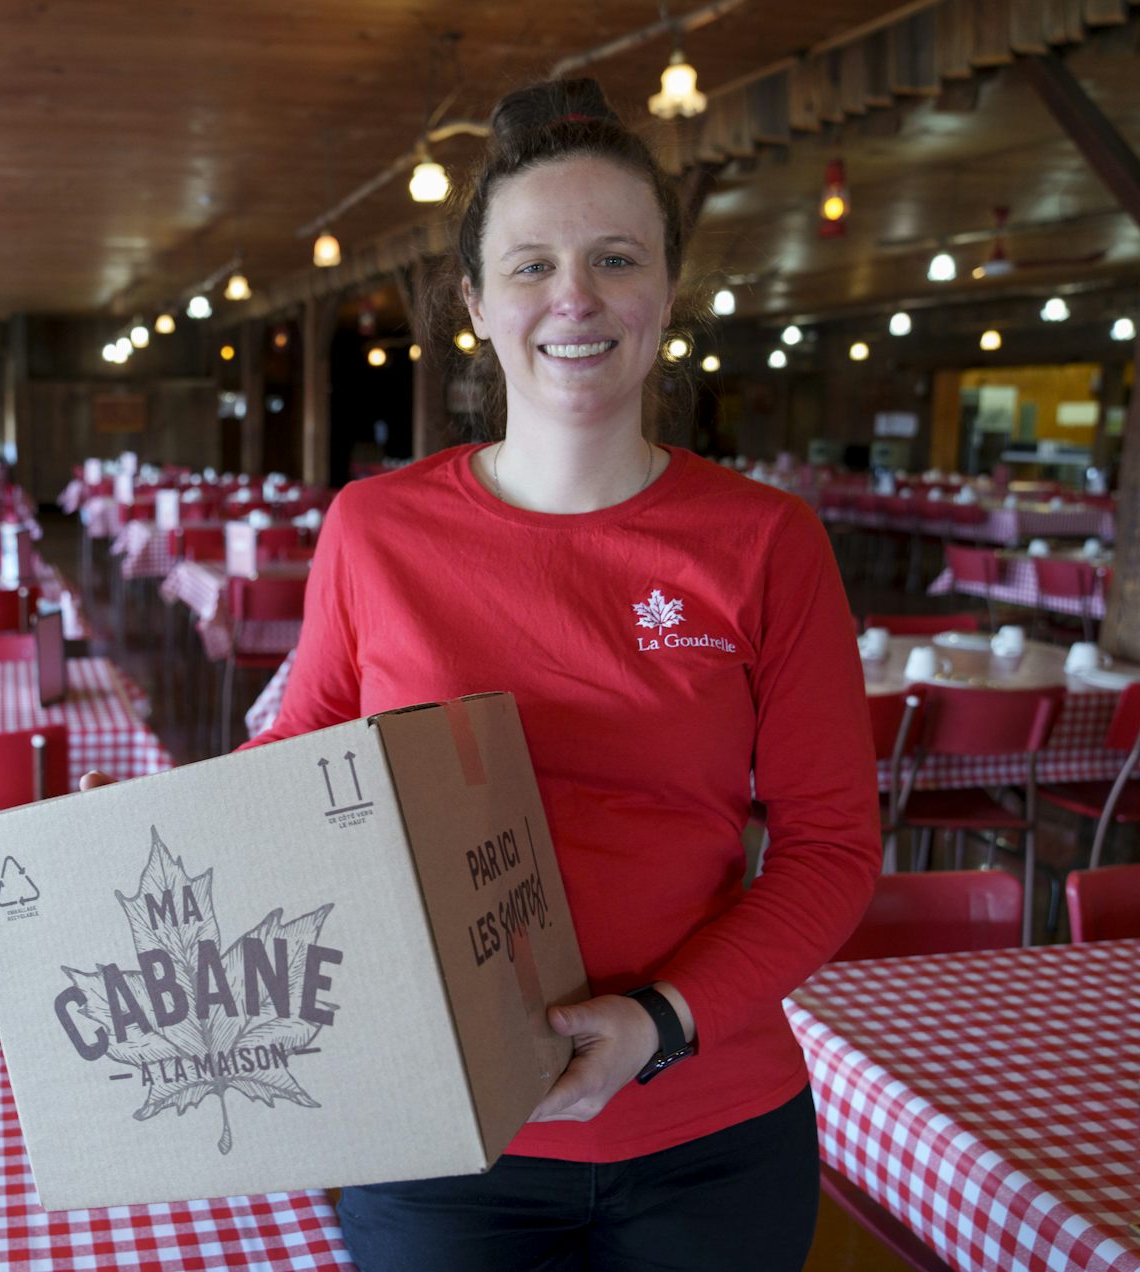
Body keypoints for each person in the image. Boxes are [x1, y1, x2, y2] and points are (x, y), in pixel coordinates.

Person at [85, 77, 879, 1271]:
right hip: (442, 1131)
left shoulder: (766, 541)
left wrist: (659, 1022)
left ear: (667, 290)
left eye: (616, 258)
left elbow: (831, 849)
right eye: (531, 265)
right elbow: (300, 756)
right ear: (473, 302)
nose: (575, 297)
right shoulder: (375, 527)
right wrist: (144, 851)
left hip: (711, 1127)